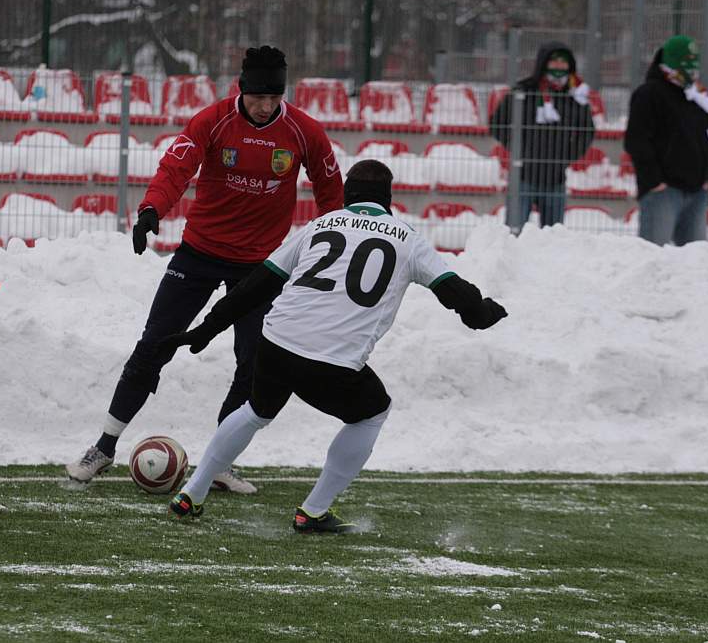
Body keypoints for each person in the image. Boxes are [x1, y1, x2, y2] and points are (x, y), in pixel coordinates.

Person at [159, 159, 507, 532]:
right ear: (388, 199)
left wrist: (207, 327)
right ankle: (313, 511)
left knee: (257, 410)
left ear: (347, 195)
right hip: (333, 359)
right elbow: (454, 291)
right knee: (372, 411)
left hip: (276, 341)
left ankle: (191, 493)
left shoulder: (318, 225)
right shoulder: (407, 238)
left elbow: (258, 283)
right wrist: (483, 313)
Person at [65, 46, 344, 492]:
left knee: (254, 364)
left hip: (262, 265)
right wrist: (152, 209)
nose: (267, 106)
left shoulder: (304, 131)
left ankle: (219, 462)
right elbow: (176, 168)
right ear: (242, 88)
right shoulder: (211, 121)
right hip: (199, 254)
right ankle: (102, 448)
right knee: (154, 346)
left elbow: (331, 190)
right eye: (259, 97)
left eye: (275, 97)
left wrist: (337, 242)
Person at [625, 34, 708, 246]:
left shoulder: (698, 97)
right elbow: (636, 140)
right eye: (686, 60)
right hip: (664, 191)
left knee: (695, 262)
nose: (691, 66)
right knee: (653, 253)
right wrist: (653, 181)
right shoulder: (649, 93)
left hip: (696, 191)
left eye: (695, 60)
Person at [493, 41, 595, 229]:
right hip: (523, 175)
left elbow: (587, 130)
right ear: (543, 62)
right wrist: (516, 148)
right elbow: (497, 122)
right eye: (553, 61)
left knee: (553, 239)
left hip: (555, 178)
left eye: (563, 62)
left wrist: (568, 156)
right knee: (514, 233)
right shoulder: (523, 90)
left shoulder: (576, 95)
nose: (558, 66)